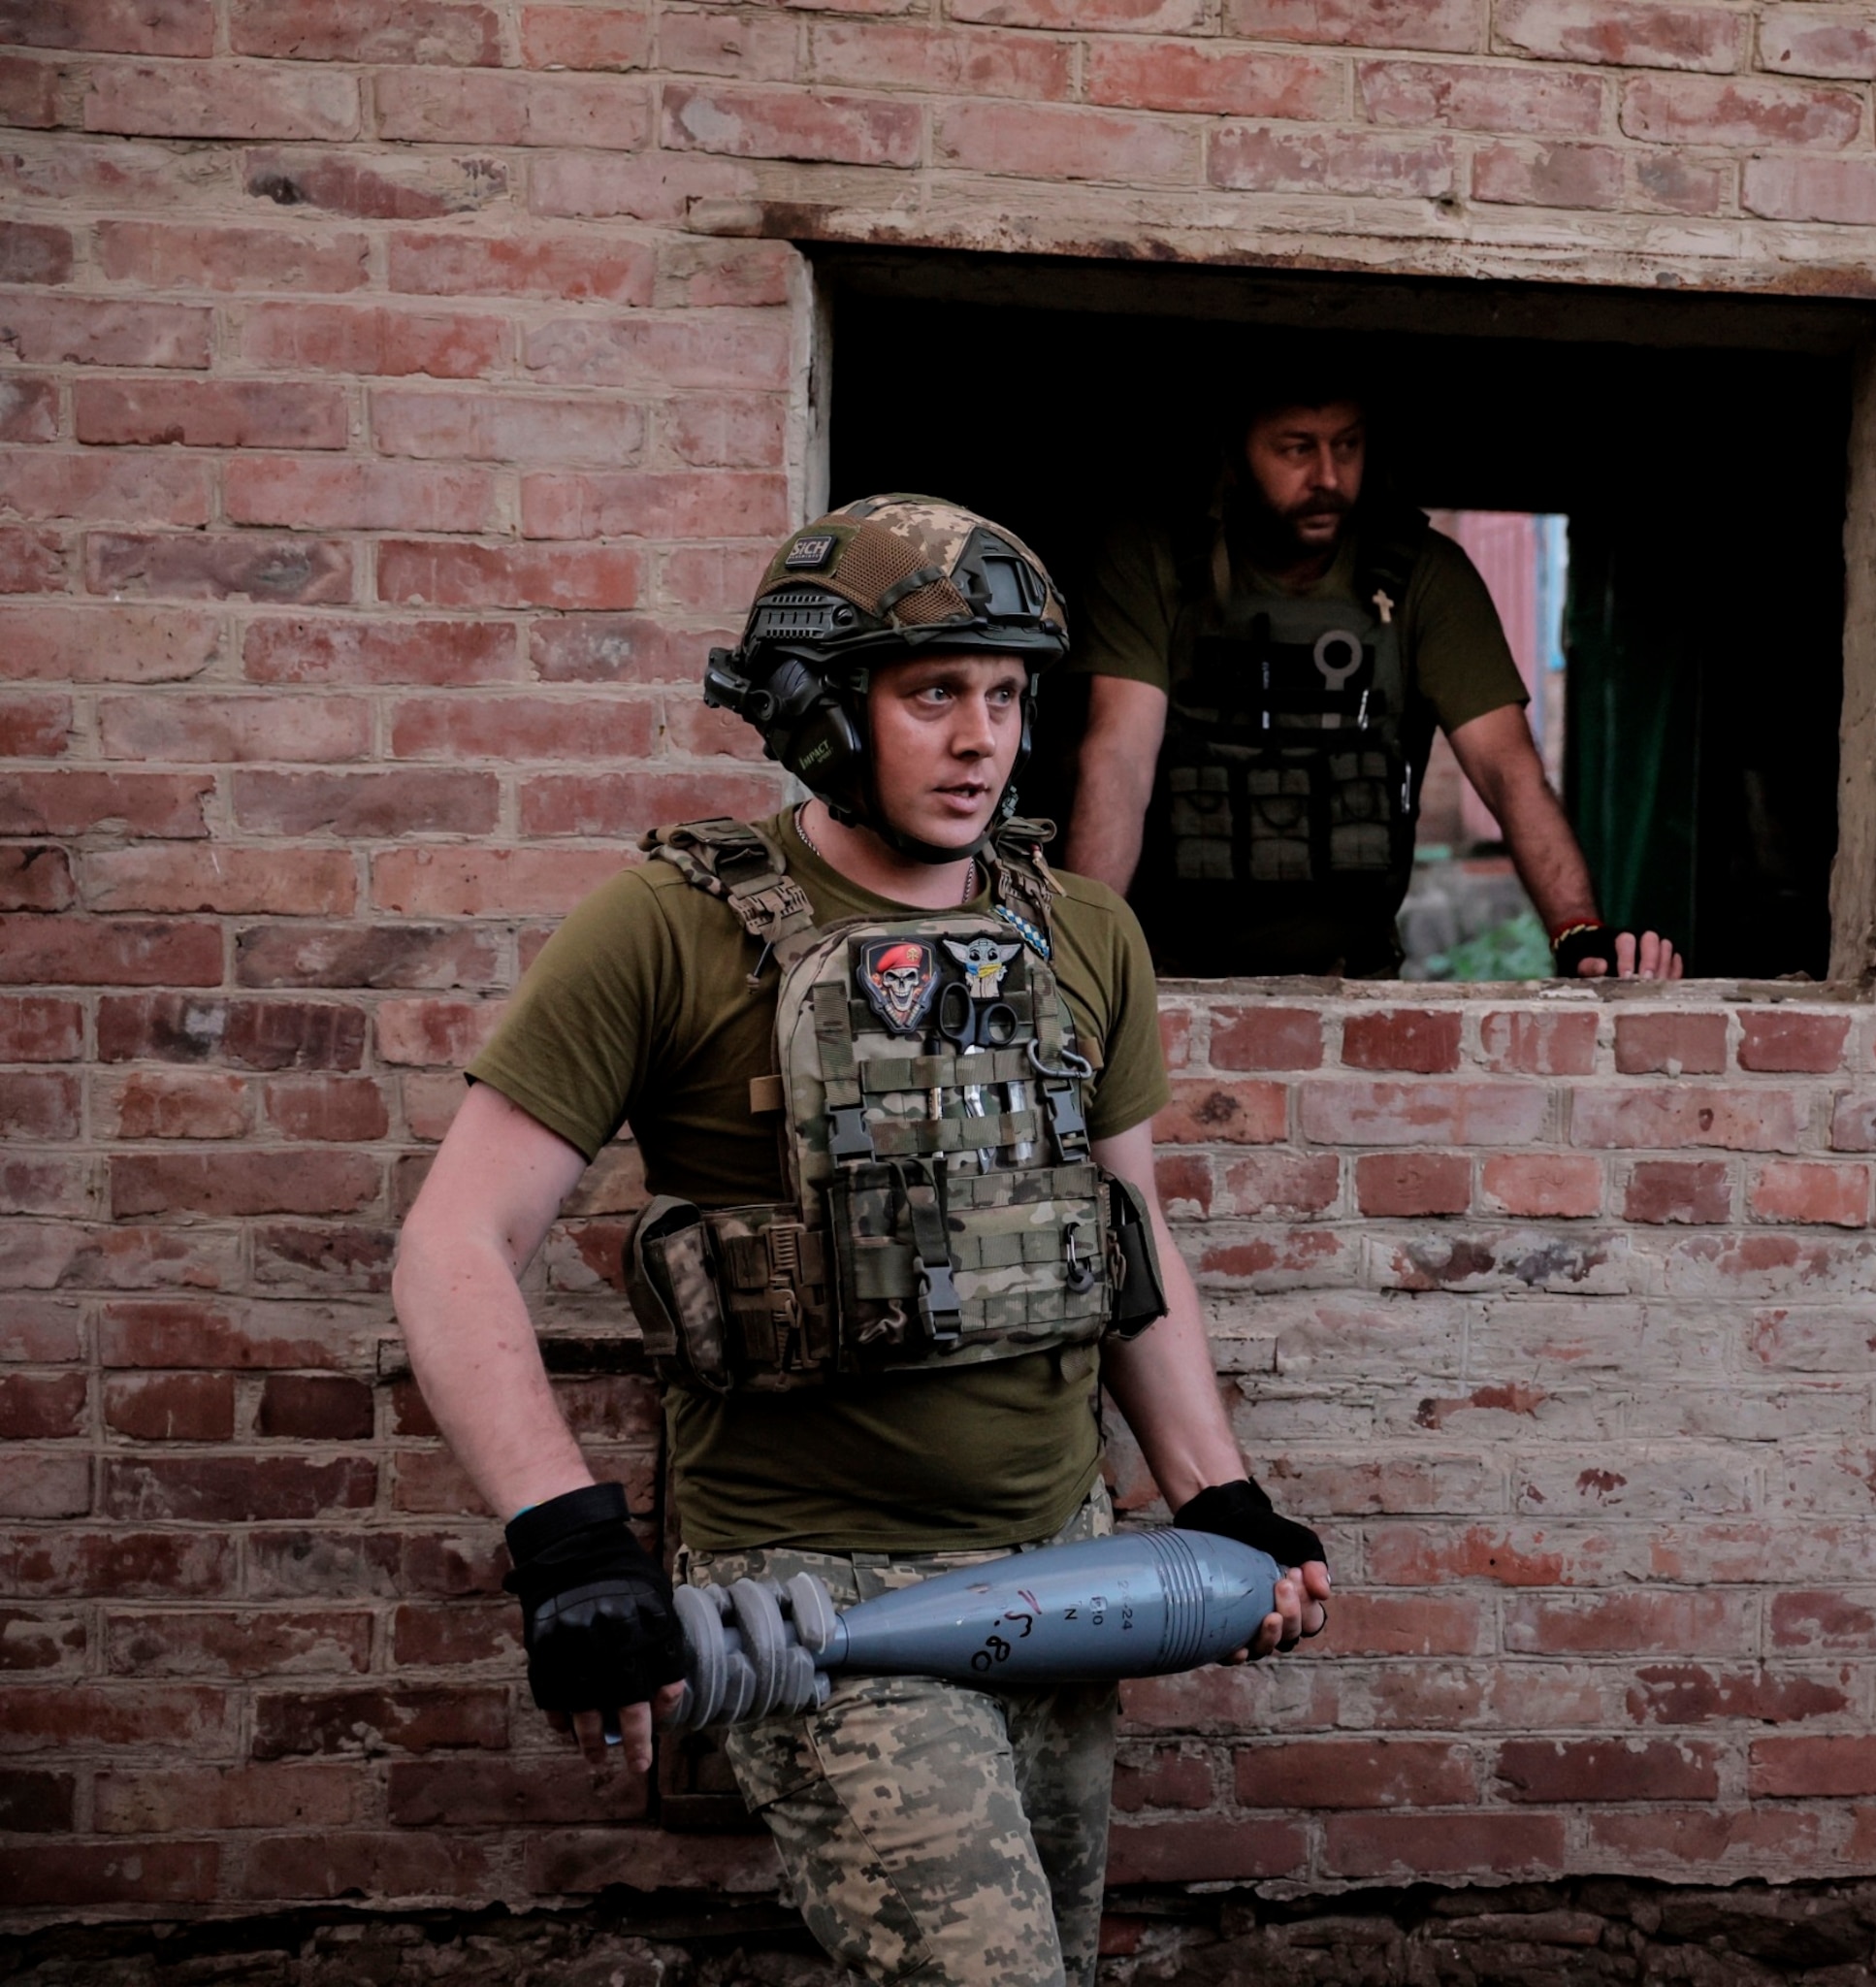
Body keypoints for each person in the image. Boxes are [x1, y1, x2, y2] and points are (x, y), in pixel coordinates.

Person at [392, 495, 1332, 1987]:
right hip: (815, 1592)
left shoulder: (1084, 933)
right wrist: (565, 1538)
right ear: (822, 712)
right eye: (933, 693)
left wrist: (1218, 1494)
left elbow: (1126, 1242)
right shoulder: (664, 928)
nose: (983, 739)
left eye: (1009, 695)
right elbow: (453, 1241)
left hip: (1060, 1573)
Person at [1058, 384, 1683, 982]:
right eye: (1297, 448)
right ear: (1233, 456)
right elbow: (1119, 756)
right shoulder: (1153, 558)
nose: (1328, 477)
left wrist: (1577, 931)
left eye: (1348, 445)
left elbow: (1509, 770)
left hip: (1352, 982)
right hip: (1171, 971)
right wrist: (1087, 957)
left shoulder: (1423, 576)